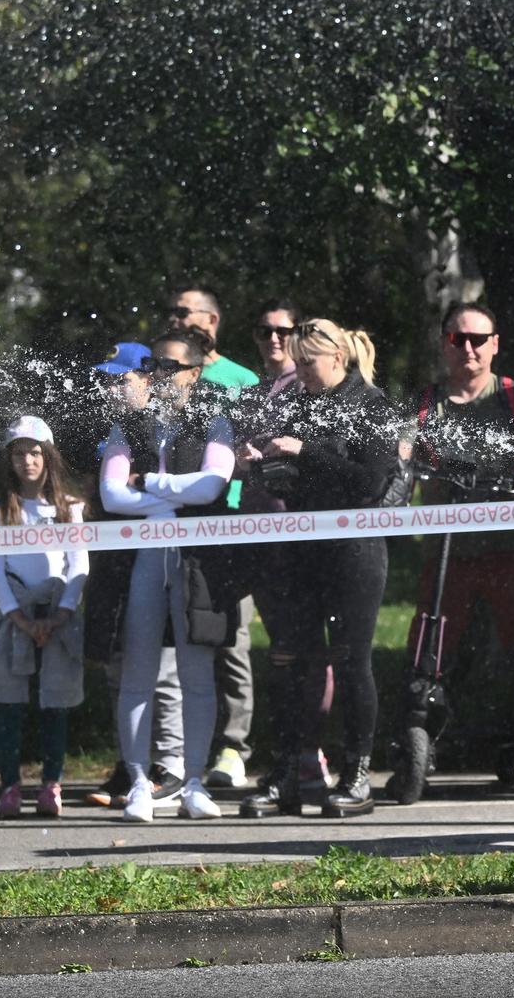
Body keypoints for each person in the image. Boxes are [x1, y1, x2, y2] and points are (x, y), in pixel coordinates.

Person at [408, 302, 514, 792]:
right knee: (431, 653)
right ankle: (417, 746)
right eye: (458, 339)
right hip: (447, 551)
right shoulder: (424, 404)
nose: (468, 349)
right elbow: (402, 463)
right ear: (444, 343)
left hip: (508, 551)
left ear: (495, 344)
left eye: (478, 339)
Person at [258, 318, 403, 818]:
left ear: (337, 358)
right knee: (294, 660)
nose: (300, 372)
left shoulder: (372, 405)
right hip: (302, 549)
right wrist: (265, 464)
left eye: (307, 362)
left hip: (354, 553)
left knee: (350, 660)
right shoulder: (299, 404)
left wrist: (307, 451)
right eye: (296, 364)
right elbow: (290, 484)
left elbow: (370, 483)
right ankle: (287, 774)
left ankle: (357, 774)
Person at [98, 330, 235, 822]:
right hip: (142, 561)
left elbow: (213, 487)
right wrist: (175, 497)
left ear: (195, 374)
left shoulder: (215, 423)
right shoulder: (129, 425)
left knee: (197, 674)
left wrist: (152, 484)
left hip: (196, 564)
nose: (160, 374)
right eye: (154, 365)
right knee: (138, 672)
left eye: (171, 366)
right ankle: (139, 782)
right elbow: (112, 496)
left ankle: (194, 782)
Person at [235, 299, 336, 817]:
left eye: (285, 330)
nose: (275, 339)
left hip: (307, 538)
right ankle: (290, 764)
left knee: (311, 652)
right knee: (283, 653)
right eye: (265, 330)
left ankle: (306, 760)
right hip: (262, 538)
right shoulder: (250, 396)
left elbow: (326, 461)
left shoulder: (315, 391)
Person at [164, 284, 260, 791]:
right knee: (174, 641)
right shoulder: (161, 369)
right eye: (171, 313)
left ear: (213, 319)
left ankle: (233, 746)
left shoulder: (242, 379)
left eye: (184, 312)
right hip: (171, 522)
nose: (176, 319)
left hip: (231, 521)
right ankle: (171, 753)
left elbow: (251, 451)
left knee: (230, 638)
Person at [0, 416, 87, 818]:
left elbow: (79, 564)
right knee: (9, 703)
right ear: (9, 459)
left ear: (49, 457)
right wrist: (20, 619)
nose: (28, 461)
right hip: (14, 617)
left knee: (53, 702)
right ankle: (9, 785)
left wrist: (60, 614)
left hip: (57, 616)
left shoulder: (69, 509)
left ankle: (51, 783)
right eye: (19, 453)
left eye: (35, 452)